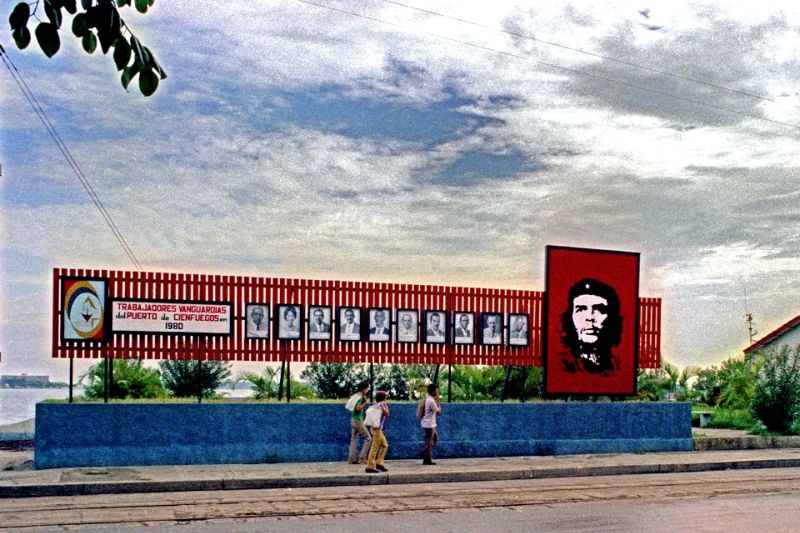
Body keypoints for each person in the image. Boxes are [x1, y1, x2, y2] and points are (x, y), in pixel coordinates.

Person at [560, 277, 622, 375]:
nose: (590, 317)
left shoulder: (618, 367)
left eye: (599, 309)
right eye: (581, 309)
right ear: (570, 318)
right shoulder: (561, 365)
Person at [365, 390, 390, 473]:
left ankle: (379, 463)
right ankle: (370, 466)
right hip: (377, 429)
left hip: (375, 428)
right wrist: (385, 406)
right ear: (384, 398)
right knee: (375, 446)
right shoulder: (382, 404)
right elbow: (387, 414)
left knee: (384, 445)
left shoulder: (375, 405)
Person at [347, 381, 371, 464]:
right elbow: (357, 409)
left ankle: (351, 459)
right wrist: (364, 402)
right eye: (367, 388)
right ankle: (362, 457)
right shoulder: (361, 398)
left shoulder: (355, 396)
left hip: (353, 419)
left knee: (354, 439)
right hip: (358, 420)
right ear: (364, 389)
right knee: (368, 438)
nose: (368, 390)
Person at [420, 383, 441, 465]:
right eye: (436, 390)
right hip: (429, 424)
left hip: (429, 423)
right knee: (429, 441)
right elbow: (438, 412)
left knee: (433, 439)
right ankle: (427, 459)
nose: (437, 392)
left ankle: (426, 454)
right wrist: (438, 402)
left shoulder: (428, 399)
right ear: (433, 391)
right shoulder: (431, 401)